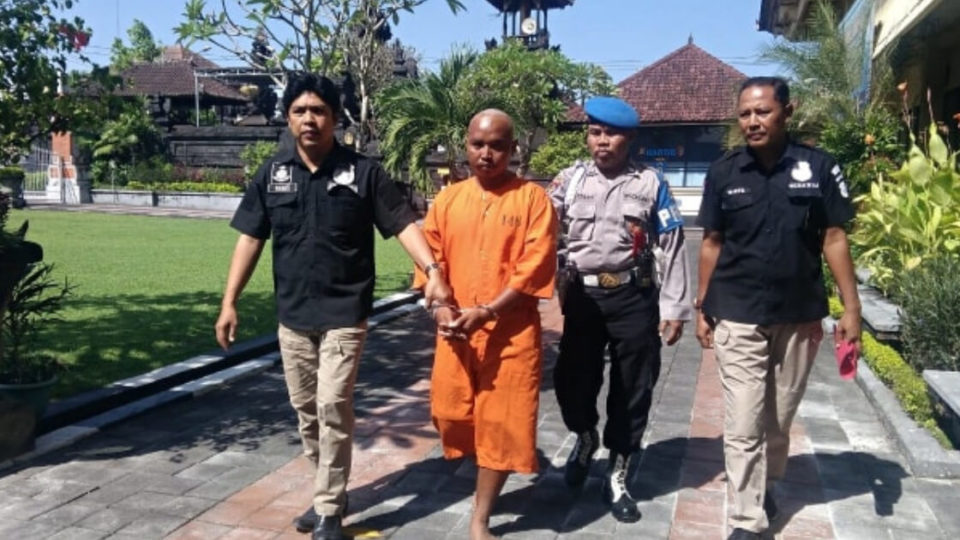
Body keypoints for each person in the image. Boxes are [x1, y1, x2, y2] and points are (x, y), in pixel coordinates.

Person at [215, 73, 451, 540]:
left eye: (318, 111)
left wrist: (434, 270)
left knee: (332, 406)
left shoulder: (364, 173)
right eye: (300, 111)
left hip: (345, 312)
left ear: (334, 118)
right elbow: (250, 239)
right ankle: (332, 493)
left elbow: (403, 224)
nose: (309, 119)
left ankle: (326, 511)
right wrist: (230, 302)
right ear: (287, 118)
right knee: (306, 410)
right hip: (293, 314)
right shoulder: (273, 174)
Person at [695, 77, 862, 540]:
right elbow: (710, 242)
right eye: (745, 113)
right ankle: (746, 519)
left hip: (799, 313)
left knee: (778, 417)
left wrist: (851, 309)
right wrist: (701, 305)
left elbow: (834, 238)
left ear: (788, 112)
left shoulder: (820, 168)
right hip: (737, 310)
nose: (752, 121)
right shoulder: (723, 172)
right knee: (744, 420)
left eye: (763, 111)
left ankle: (771, 482)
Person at [414, 109, 557, 540]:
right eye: (478, 144)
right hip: (455, 331)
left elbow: (534, 268)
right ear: (465, 146)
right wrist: (439, 309)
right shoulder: (448, 199)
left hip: (511, 335)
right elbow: (429, 261)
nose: (487, 154)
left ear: (513, 150)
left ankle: (481, 518)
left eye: (497, 145)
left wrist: (490, 312)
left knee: (502, 423)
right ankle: (482, 463)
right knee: (448, 411)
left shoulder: (533, 200)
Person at [550, 96, 692, 523]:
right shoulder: (569, 181)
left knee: (633, 387)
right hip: (582, 296)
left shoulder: (651, 183)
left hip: (633, 296)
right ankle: (586, 435)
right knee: (572, 380)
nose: (602, 141)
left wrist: (675, 307)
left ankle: (617, 469)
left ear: (628, 138)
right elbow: (536, 226)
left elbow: (672, 242)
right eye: (595, 133)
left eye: (610, 134)